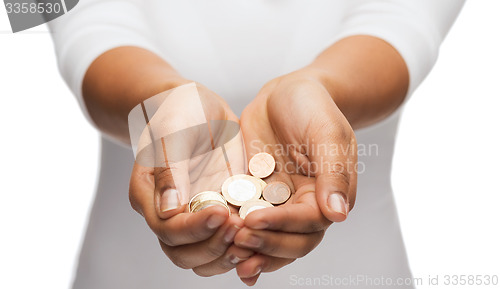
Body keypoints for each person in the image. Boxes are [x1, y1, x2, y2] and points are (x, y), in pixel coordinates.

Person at [48, 1, 465, 288]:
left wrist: (322, 88)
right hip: (127, 274)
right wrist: (162, 101)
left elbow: (405, 21)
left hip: (357, 269)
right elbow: (80, 22)